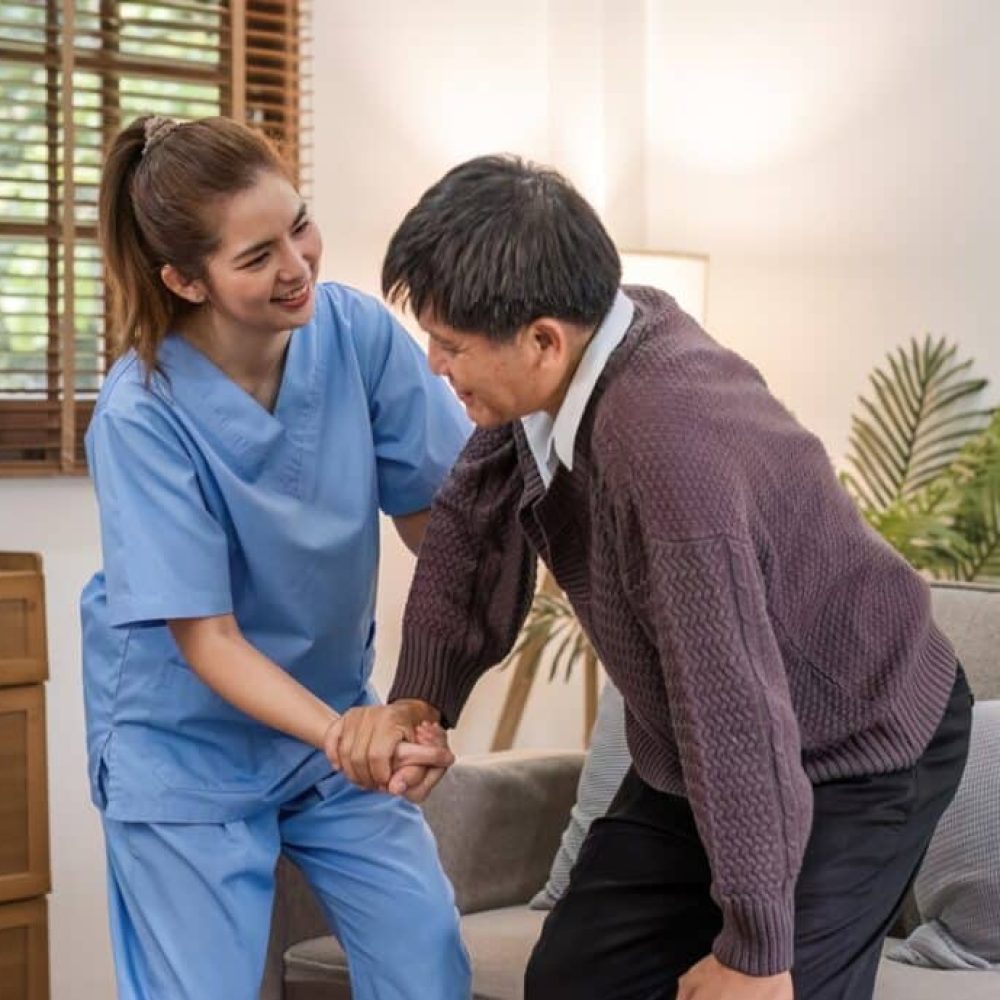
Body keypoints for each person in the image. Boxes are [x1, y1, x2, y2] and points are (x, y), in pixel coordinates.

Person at [327, 155, 974, 1000]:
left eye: (451, 347)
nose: (437, 365)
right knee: (576, 978)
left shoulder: (667, 451)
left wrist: (756, 946)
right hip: (701, 750)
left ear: (543, 340)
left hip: (860, 739)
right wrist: (424, 699)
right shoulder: (581, 356)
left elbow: (733, 700)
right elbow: (474, 515)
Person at [80, 114, 472, 1000]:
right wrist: (347, 736)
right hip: (186, 752)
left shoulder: (357, 337)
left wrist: (423, 700)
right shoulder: (143, 416)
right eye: (255, 258)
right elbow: (207, 640)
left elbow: (440, 527)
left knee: (426, 959)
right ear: (184, 279)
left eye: (298, 225)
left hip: (335, 722)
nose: (296, 266)